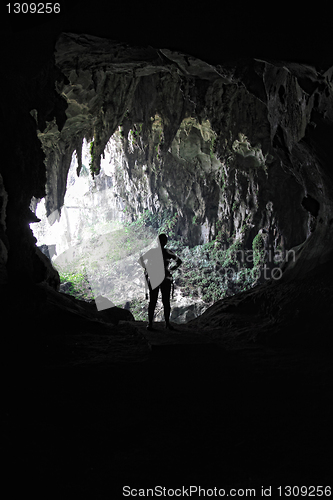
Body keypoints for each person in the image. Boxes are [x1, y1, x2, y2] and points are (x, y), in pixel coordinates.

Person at [138, 233, 182, 331]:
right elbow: (179, 261)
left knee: (153, 301)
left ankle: (150, 324)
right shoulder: (168, 252)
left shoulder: (152, 252)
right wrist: (171, 269)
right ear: (166, 242)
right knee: (166, 301)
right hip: (165, 279)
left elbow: (140, 260)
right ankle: (166, 323)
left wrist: (147, 268)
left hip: (154, 278)